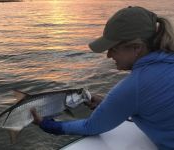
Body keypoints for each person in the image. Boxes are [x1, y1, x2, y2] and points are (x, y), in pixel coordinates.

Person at [31, 6, 174, 150]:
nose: (108, 55)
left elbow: (90, 127)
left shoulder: (134, 85)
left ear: (136, 47)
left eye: (113, 49)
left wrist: (46, 123)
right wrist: (109, 103)